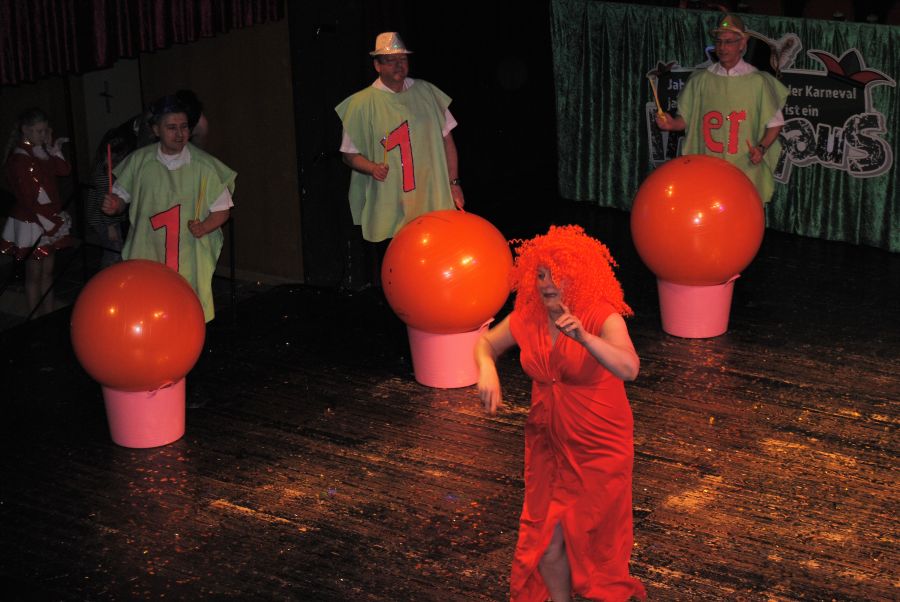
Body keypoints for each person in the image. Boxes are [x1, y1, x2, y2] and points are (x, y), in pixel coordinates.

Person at [474, 225, 646, 602]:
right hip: (547, 447)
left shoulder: (602, 316)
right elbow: (486, 343)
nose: (546, 284)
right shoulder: (528, 316)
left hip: (599, 448)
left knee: (595, 548)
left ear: (579, 277)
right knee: (545, 542)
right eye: (540, 275)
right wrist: (486, 368)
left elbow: (629, 368)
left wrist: (585, 338)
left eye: (556, 275)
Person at [335, 31, 464, 284]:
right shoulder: (361, 104)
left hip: (431, 197)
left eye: (402, 59)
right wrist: (371, 168)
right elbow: (348, 155)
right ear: (377, 65)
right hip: (391, 203)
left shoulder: (427, 92)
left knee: (435, 266)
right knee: (400, 274)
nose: (398, 65)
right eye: (391, 60)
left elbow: (447, 141)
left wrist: (454, 183)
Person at [101, 95, 236, 322]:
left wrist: (204, 227)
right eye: (171, 128)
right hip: (147, 251)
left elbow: (223, 209)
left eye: (184, 127)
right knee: (147, 306)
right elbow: (121, 198)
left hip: (187, 257)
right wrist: (115, 205)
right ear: (156, 130)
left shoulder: (205, 166)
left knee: (184, 310)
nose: (179, 133)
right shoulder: (139, 162)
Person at [656, 13, 789, 203]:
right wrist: (671, 124)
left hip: (743, 168)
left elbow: (775, 124)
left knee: (740, 211)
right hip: (707, 166)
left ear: (742, 44)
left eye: (729, 42)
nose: (722, 47)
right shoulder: (700, 79)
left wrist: (761, 148)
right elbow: (685, 119)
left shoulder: (758, 82)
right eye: (719, 42)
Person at [1, 108, 73, 317]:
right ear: (26, 130)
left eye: (45, 131)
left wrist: (53, 148)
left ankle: (48, 314)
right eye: (39, 131)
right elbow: (28, 197)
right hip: (31, 221)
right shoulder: (20, 159)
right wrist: (50, 221)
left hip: (48, 216)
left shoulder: (41, 151)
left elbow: (64, 170)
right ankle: (35, 318)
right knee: (34, 274)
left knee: (48, 272)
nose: (43, 135)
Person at [85, 125, 135, 267]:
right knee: (113, 253)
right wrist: (110, 226)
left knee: (114, 251)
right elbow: (104, 203)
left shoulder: (105, 168)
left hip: (108, 219)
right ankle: (108, 276)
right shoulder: (104, 176)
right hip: (105, 221)